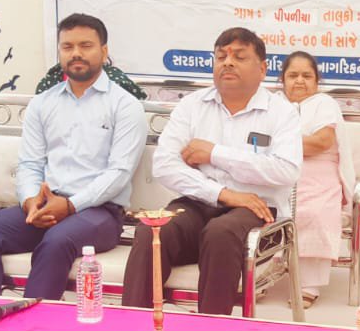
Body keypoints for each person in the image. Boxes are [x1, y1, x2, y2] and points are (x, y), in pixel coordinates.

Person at [0, 13, 147, 301]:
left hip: (99, 212)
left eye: (85, 45)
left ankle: (30, 322)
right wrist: (29, 201)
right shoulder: (42, 103)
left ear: (104, 51)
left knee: (57, 241)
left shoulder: (125, 106)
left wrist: (70, 206)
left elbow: (119, 173)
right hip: (46, 206)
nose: (76, 54)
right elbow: (30, 163)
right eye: (67, 46)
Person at [121, 27, 301, 315]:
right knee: (152, 231)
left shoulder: (281, 112)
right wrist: (224, 194)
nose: (227, 62)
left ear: (262, 68)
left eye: (239, 56)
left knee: (220, 233)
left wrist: (214, 153)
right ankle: (135, 326)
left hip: (259, 211)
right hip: (198, 203)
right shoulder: (192, 106)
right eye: (221, 56)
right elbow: (165, 164)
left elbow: (285, 170)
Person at [279, 51, 354, 307]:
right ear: (282, 80)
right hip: (278, 171)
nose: (299, 81)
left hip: (320, 173)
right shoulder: (273, 104)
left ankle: (308, 284)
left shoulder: (324, 103)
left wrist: (279, 144)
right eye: (293, 75)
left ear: (316, 80)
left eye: (306, 75)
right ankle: (263, 274)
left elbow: (321, 142)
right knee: (262, 208)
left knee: (314, 211)